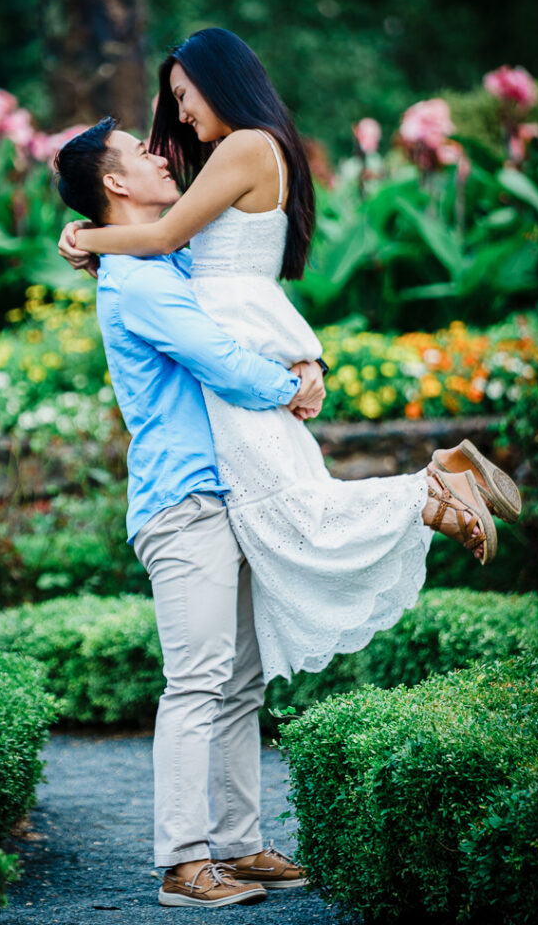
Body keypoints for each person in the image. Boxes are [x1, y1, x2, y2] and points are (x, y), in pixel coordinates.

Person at [58, 27, 522, 684]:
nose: (181, 115)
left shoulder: (244, 146)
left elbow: (160, 235)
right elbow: (179, 256)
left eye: (185, 96)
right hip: (248, 338)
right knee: (294, 507)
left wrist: (82, 235)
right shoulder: (255, 148)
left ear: (220, 82)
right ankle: (440, 477)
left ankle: (432, 490)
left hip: (235, 356)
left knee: (293, 514)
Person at [54, 118, 326, 907]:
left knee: (238, 682)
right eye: (138, 154)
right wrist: (292, 385)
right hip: (184, 504)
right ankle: (181, 861)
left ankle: (238, 846)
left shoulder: (160, 258)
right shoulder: (138, 281)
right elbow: (218, 361)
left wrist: (83, 235)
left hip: (223, 494)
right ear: (114, 185)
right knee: (198, 682)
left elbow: (239, 304)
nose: (157, 154)